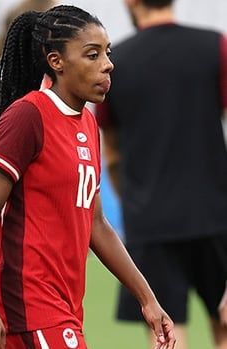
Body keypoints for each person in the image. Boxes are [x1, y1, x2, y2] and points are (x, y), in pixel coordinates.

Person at [0, 5, 176, 349]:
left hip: (65, 306)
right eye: (92, 54)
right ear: (56, 62)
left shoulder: (88, 124)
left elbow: (96, 224)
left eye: (107, 53)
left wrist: (148, 299)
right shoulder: (29, 115)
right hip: (31, 307)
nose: (107, 63)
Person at [95, 0, 227, 348]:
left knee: (165, 332)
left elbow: (111, 152)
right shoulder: (215, 46)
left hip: (149, 218)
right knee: (225, 325)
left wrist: (132, 198)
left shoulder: (114, 63)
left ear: (131, 3)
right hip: (214, 214)